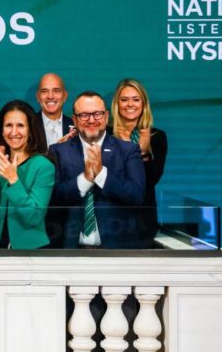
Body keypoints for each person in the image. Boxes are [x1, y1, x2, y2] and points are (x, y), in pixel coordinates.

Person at [48, 91, 145, 248]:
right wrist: (85, 179)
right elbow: (52, 198)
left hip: (118, 249)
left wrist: (101, 174)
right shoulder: (57, 151)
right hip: (68, 249)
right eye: (84, 115)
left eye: (97, 114)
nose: (91, 120)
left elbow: (137, 195)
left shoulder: (128, 150)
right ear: (74, 119)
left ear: (106, 116)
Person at [0, 100, 55, 249]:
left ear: (30, 130)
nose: (14, 132)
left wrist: (13, 179)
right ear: (2, 130)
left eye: (20, 126)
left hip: (30, 250)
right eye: (9, 125)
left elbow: (34, 216)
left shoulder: (43, 166)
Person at [109, 78, 167, 247]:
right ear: (117, 104)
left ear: (143, 104)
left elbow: (151, 180)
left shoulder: (157, 137)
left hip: (144, 220)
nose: (130, 104)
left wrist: (143, 152)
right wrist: (128, 146)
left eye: (136, 99)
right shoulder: (105, 134)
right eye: (124, 99)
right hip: (112, 218)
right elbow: (110, 178)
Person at [36, 72, 75, 146]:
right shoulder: (29, 126)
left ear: (65, 96)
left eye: (56, 91)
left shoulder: (76, 127)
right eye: (45, 91)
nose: (50, 96)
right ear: (38, 96)